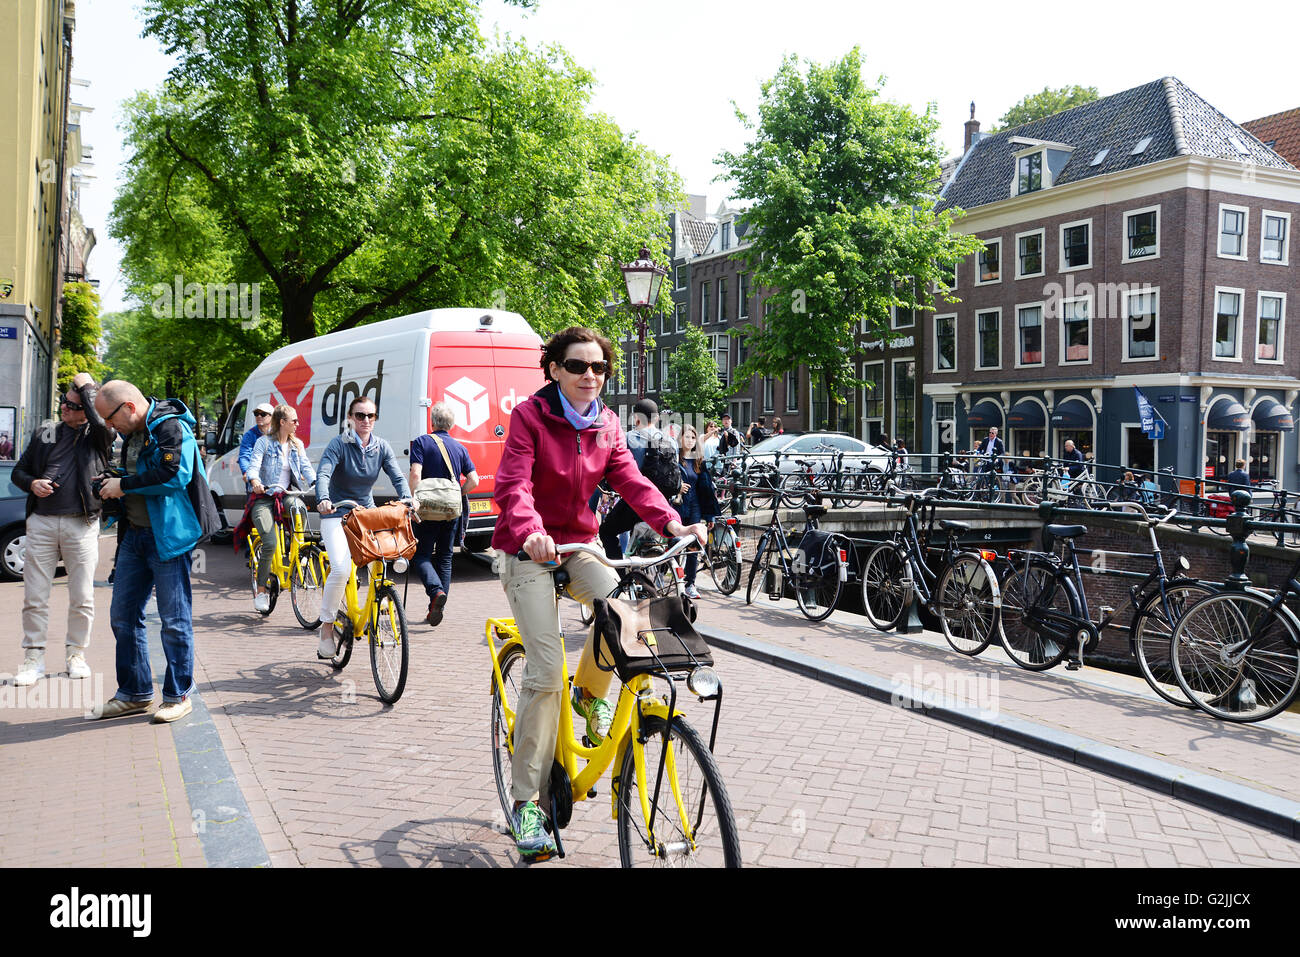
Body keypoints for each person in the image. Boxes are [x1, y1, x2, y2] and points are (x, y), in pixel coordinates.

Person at [492, 326, 705, 862]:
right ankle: (526, 805)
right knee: (543, 671)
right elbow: (513, 484)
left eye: (600, 368)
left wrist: (672, 523)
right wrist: (530, 530)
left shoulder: (607, 424)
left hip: (580, 544)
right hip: (527, 548)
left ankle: (588, 697)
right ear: (554, 370)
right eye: (578, 366)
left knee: (626, 617)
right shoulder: (530, 418)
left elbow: (631, 480)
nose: (591, 376)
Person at [92, 380, 219, 722]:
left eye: (109, 418)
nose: (108, 426)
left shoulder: (171, 426)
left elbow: (173, 473)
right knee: (122, 615)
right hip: (134, 537)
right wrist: (112, 479)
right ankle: (134, 693)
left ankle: (178, 695)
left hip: (168, 539)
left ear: (129, 407)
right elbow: (139, 472)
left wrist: (124, 485)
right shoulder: (133, 432)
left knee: (174, 620)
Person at [12, 373, 114, 685]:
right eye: (63, 403)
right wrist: (33, 483)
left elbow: (99, 422)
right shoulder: (46, 431)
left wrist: (86, 387)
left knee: (82, 595)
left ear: (87, 407)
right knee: (35, 596)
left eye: (73, 405)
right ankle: (33, 658)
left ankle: (76, 654)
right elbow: (18, 471)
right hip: (41, 522)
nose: (64, 408)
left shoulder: (99, 435)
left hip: (81, 523)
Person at [315, 396, 412, 661]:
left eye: (370, 416)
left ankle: (377, 604)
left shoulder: (381, 447)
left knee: (381, 561)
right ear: (350, 417)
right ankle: (326, 627)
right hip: (336, 512)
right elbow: (323, 473)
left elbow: (397, 475)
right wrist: (323, 498)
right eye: (360, 416)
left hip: (364, 514)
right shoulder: (339, 444)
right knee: (341, 567)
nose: (365, 421)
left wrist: (407, 498)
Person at [409, 401, 479, 626]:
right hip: (451, 510)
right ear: (451, 424)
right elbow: (474, 480)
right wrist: (458, 494)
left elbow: (415, 473)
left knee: (420, 556)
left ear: (432, 421)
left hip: (427, 509)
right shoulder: (460, 447)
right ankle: (437, 607)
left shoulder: (421, 442)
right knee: (445, 557)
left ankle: (435, 592)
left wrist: (414, 499)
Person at [244, 404, 316, 612]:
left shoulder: (296, 445)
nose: (297, 424)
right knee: (270, 543)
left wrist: (316, 482)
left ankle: (299, 554)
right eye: (294, 420)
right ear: (282, 422)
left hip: (285, 495)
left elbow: (305, 467)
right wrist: (255, 481)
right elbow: (253, 466)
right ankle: (261, 591)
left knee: (299, 507)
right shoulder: (263, 443)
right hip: (264, 497)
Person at [597, 398, 673, 560]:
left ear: (636, 418)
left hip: (637, 502)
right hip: (664, 503)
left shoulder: (628, 438)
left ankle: (621, 577)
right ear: (657, 418)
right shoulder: (670, 441)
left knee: (606, 531)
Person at [676, 425, 721, 599]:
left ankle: (690, 583)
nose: (690, 440)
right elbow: (665, 480)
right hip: (677, 506)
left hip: (695, 506)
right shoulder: (674, 459)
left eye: (693, 438)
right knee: (674, 544)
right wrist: (677, 487)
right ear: (680, 439)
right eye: (687, 437)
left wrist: (709, 515)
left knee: (694, 545)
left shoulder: (698, 461)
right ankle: (668, 573)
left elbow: (706, 489)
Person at [238, 402, 276, 493]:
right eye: (256, 414)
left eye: (263, 414)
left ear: (272, 417)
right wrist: (246, 472)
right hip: (256, 481)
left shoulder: (278, 434)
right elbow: (244, 456)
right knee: (255, 506)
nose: (259, 416)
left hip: (275, 481)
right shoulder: (249, 435)